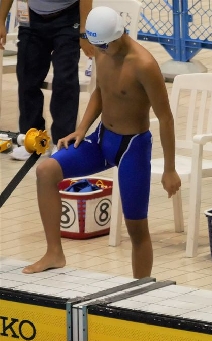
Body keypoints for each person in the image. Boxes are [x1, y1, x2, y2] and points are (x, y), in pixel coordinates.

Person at [21, 6, 181, 278]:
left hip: (133, 147)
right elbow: (100, 90)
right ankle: (54, 253)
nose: (101, 51)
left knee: (136, 228)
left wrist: (169, 169)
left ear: (120, 34)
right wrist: (81, 128)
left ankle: (139, 288)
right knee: (46, 170)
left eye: (105, 44)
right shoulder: (103, 51)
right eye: (97, 45)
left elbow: (166, 119)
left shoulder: (144, 64)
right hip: (101, 139)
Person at [0, 0, 95, 161]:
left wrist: (84, 31)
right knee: (26, 77)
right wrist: (1, 20)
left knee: (64, 79)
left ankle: (62, 141)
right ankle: (33, 139)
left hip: (68, 17)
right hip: (31, 16)